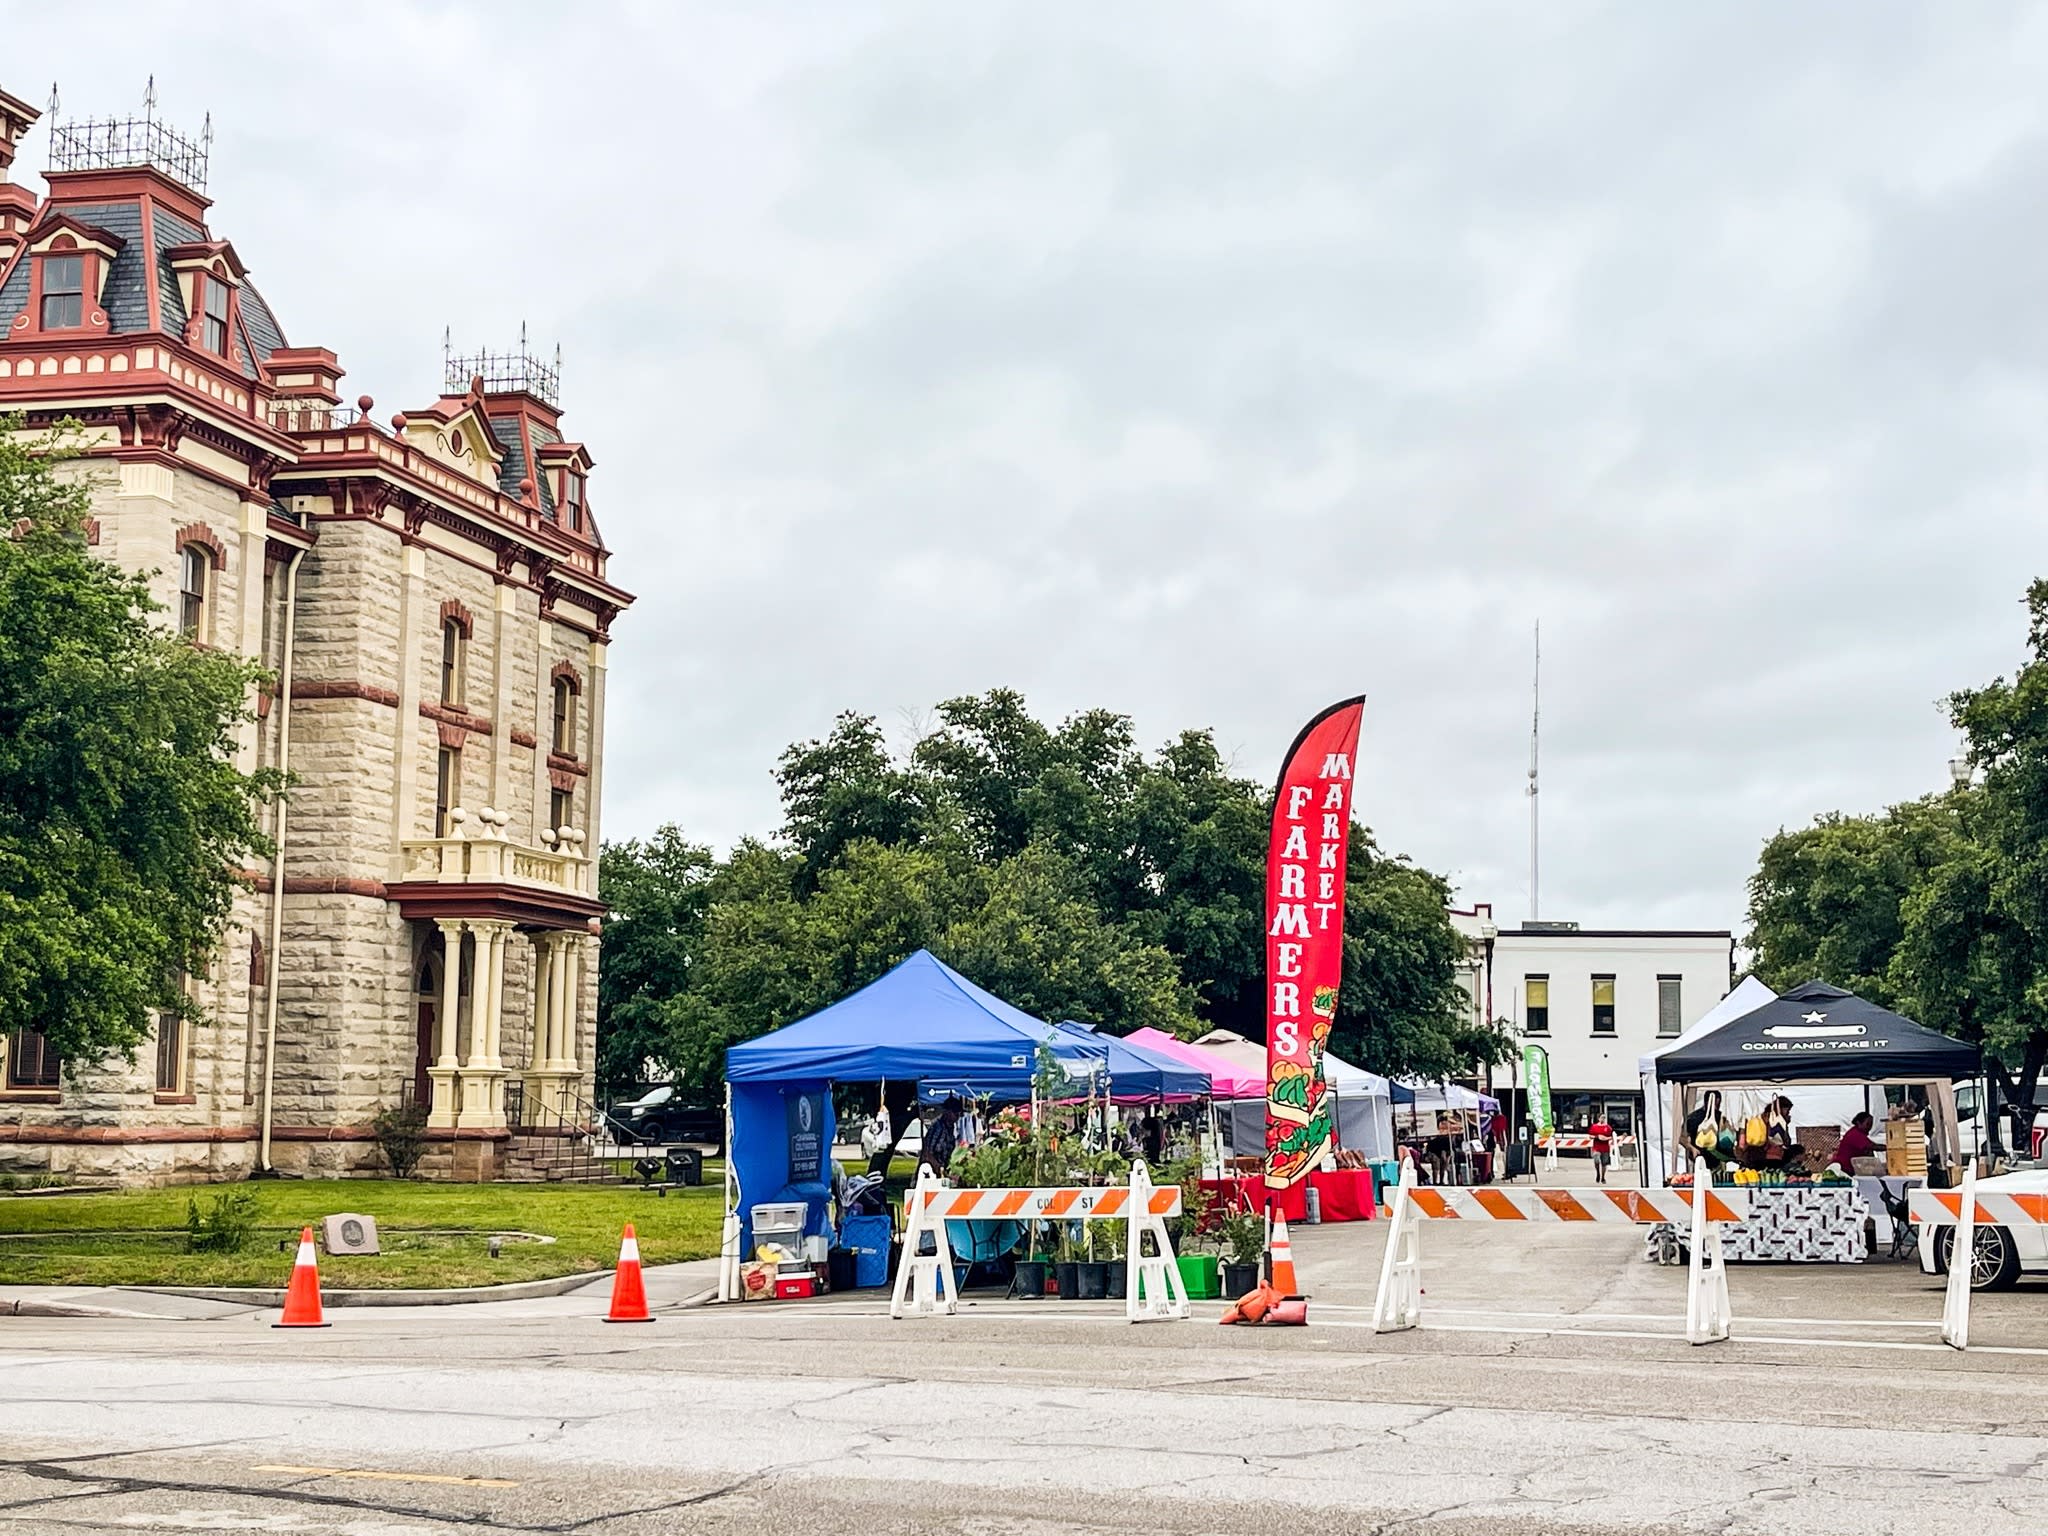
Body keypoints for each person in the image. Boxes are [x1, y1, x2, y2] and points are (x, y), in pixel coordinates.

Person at [921, 1098, 961, 1177]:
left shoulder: (951, 1128)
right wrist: (939, 1169)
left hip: (944, 1170)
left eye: (959, 1114)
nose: (957, 1116)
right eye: (955, 1113)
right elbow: (927, 1153)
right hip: (930, 1173)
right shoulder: (938, 1128)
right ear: (947, 1112)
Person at [1588, 1116, 1614, 1184]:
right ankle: (1597, 1173)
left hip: (1605, 1148)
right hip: (1597, 1147)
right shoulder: (1594, 1126)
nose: (1603, 1119)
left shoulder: (1608, 1127)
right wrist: (1597, 1137)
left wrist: (1605, 1138)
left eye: (1604, 1118)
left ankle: (1603, 1177)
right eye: (1601, 1117)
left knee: (1604, 1164)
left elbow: (1611, 1136)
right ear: (1598, 1118)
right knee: (1596, 1160)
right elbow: (1590, 1136)